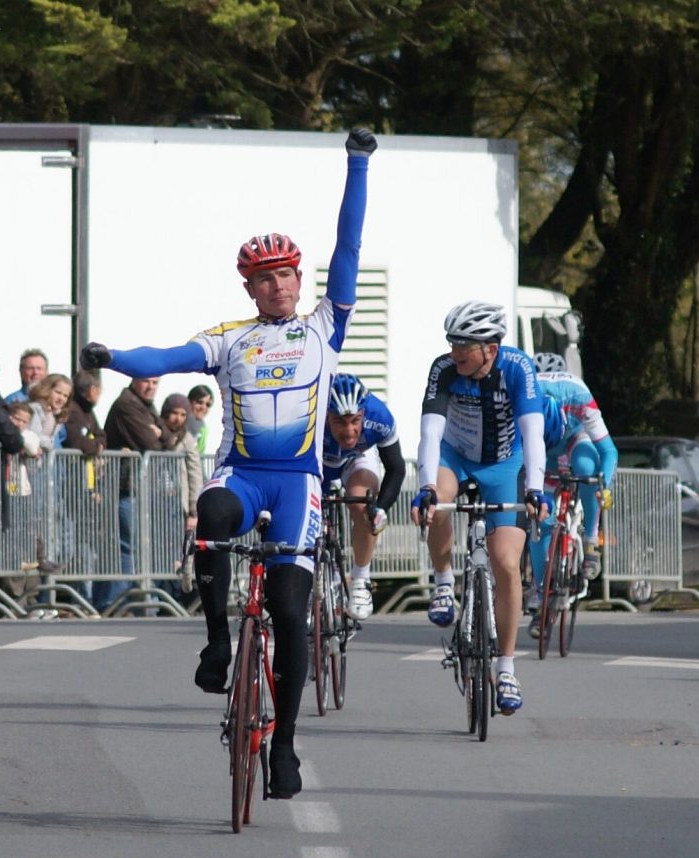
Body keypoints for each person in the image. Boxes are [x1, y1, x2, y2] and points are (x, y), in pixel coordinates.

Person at [78, 127, 375, 800]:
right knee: (211, 513)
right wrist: (114, 357)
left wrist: (358, 165)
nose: (277, 287)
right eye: (264, 279)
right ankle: (216, 642)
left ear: (300, 280)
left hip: (297, 483)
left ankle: (287, 748)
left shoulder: (326, 327)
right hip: (241, 475)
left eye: (285, 276)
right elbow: (163, 359)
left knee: (292, 611)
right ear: (249, 288)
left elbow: (349, 246)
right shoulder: (230, 339)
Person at [409, 300, 549, 716]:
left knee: (506, 562)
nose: (455, 352)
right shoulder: (444, 370)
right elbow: (430, 433)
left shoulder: (517, 369)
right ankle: (443, 581)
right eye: (451, 343)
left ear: (490, 347)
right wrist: (426, 487)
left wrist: (536, 489)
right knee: (442, 499)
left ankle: (506, 667)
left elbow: (534, 433)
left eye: (463, 346)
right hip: (456, 455)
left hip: (505, 464)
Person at [525, 352, 617, 636]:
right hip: (543, 449)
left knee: (588, 466)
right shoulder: (525, 398)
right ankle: (542, 592)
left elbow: (608, 451)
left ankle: (590, 540)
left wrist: (606, 487)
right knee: (541, 518)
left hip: (576, 439)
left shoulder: (577, 395)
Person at [322, 373, 405, 620]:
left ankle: (360, 579)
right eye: (339, 422)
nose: (349, 432)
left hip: (356, 459)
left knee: (363, 505)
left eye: (355, 420)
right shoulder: (309, 416)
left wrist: (381, 509)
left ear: (363, 413)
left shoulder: (379, 417)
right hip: (318, 462)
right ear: (325, 415)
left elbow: (396, 468)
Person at [104, 376, 171, 608]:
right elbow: (150, 444)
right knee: (129, 547)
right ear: (134, 381)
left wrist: (161, 434)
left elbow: (166, 438)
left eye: (155, 383)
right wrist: (160, 436)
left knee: (141, 545)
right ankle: (122, 602)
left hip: (140, 487)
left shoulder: (146, 405)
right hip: (126, 487)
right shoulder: (127, 404)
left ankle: (141, 599)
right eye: (146, 382)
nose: (151, 387)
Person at [61, 370, 109, 606]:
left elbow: (100, 436)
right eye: (97, 389)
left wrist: (96, 444)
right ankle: (76, 596)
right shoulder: (73, 412)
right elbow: (78, 442)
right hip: (70, 487)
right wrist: (94, 445)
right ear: (88, 390)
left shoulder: (88, 413)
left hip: (86, 487)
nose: (99, 393)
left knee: (84, 543)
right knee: (70, 544)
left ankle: (85, 597)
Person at [160, 392, 204, 602]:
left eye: (182, 414)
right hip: (156, 501)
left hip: (178, 503)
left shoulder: (187, 439)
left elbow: (195, 473)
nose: (178, 419)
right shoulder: (158, 433)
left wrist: (194, 508)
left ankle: (178, 594)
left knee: (178, 552)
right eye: (174, 413)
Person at [26, 373, 72, 450]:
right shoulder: (36, 409)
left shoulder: (56, 414)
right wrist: (50, 445)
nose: (61, 398)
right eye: (58, 392)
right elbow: (35, 435)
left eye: (65, 396)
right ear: (47, 389)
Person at [187, 384, 215, 454]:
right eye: (199, 402)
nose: (203, 407)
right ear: (189, 401)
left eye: (208, 405)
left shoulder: (202, 426)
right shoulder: (180, 424)